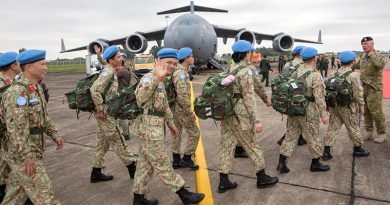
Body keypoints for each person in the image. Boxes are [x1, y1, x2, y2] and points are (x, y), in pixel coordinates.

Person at [131, 48, 205, 204]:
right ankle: (184, 194)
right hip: (148, 130)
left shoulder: (163, 80)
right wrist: (156, 78)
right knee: (163, 163)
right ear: (158, 61)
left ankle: (138, 198)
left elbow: (164, 106)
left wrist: (171, 124)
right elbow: (140, 98)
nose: (172, 66)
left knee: (145, 166)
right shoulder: (150, 78)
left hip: (155, 128)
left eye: (174, 63)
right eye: (168, 62)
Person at [1, 49, 64, 204]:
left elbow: (43, 117)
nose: (46, 67)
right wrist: (26, 157)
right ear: (29, 67)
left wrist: (54, 134)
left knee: (16, 196)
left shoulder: (36, 88)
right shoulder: (17, 92)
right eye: (42, 64)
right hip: (23, 153)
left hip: (34, 149)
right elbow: (16, 128)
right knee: (45, 196)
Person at [217, 40, 278, 193]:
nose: (252, 55)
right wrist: (255, 119)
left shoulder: (229, 68)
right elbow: (249, 98)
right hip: (240, 114)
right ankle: (262, 177)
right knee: (252, 145)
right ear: (247, 54)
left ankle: (223, 181)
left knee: (227, 146)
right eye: (251, 52)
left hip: (227, 112)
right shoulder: (245, 72)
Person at [277, 47, 330, 174]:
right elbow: (319, 97)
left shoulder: (296, 71)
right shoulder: (315, 75)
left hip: (294, 108)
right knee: (313, 135)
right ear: (314, 58)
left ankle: (281, 162)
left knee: (290, 136)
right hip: (308, 109)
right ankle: (315, 163)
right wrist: (323, 114)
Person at [89, 46, 137, 183]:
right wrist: (100, 108)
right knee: (118, 141)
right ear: (111, 60)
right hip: (106, 114)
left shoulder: (111, 69)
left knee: (102, 144)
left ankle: (96, 172)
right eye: (118, 57)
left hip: (107, 113)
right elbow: (94, 90)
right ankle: (132, 168)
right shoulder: (108, 72)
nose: (121, 58)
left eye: (121, 56)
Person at [322, 51, 369, 160]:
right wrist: (361, 107)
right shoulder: (353, 75)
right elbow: (358, 93)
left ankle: (326, 151)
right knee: (353, 127)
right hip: (348, 106)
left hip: (335, 105)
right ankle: (358, 149)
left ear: (341, 62)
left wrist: (327, 104)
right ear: (353, 61)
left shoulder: (333, 73)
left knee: (332, 128)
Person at [352, 37, 388, 143]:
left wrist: (371, 54)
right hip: (364, 87)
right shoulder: (363, 56)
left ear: (372, 44)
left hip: (374, 88)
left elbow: (380, 64)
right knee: (366, 111)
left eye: (366, 43)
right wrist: (347, 63)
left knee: (376, 112)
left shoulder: (378, 55)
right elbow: (358, 65)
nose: (363, 46)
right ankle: (369, 132)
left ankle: (381, 133)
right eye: (362, 44)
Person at [170, 47, 200, 170]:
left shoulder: (176, 71)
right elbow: (182, 96)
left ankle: (176, 161)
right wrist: (189, 112)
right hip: (182, 109)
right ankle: (187, 158)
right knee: (195, 133)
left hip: (175, 108)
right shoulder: (181, 74)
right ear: (186, 58)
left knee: (176, 133)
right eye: (192, 56)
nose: (193, 58)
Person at [0, 52, 22, 202]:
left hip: (5, 130)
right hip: (5, 131)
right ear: (13, 66)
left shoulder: (7, 81)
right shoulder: (4, 85)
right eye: (20, 63)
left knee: (4, 161)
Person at [276, 46, 307, 147]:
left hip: (288, 94)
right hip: (298, 94)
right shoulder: (303, 65)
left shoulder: (288, 64)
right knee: (301, 117)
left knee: (293, 117)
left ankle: (299, 138)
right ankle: (285, 138)